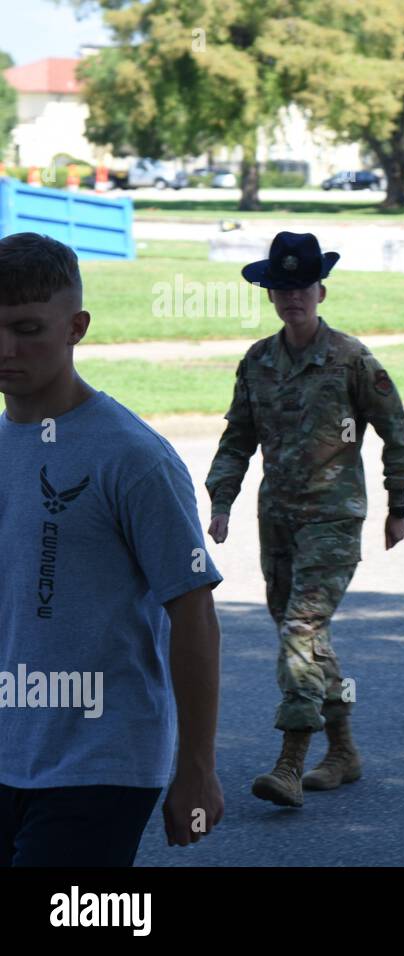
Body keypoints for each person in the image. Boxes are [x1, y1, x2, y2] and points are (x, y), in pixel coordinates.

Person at [0, 232, 224, 865]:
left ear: (77, 327)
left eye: (27, 329)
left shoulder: (131, 456)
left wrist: (198, 769)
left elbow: (193, 610)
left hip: (99, 764)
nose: (6, 350)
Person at [205, 231, 404, 808]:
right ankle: (344, 751)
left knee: (301, 629)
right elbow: (237, 437)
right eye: (282, 287)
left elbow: (394, 429)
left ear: (320, 289)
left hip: (333, 518)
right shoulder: (257, 362)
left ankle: (290, 763)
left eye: (301, 286)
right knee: (305, 635)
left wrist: (398, 505)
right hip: (277, 521)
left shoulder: (350, 358)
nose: (292, 296)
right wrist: (221, 501)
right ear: (270, 294)